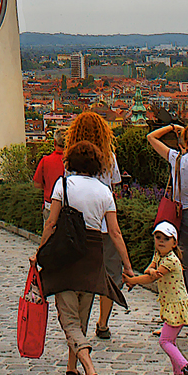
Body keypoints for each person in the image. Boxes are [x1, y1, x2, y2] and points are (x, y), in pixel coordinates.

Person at [31, 140, 134, 375]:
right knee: (82, 316)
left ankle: (90, 371)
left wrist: (39, 252)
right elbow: (114, 232)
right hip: (92, 256)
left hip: (66, 255)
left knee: (68, 319)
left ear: (71, 162)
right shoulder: (103, 192)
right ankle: (71, 369)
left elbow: (52, 223)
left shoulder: (63, 186)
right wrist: (128, 266)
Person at [146, 123, 188, 336]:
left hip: (181, 217)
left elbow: (151, 137)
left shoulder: (178, 161)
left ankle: (175, 322)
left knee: (178, 273)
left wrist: (172, 127)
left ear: (183, 144)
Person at [123, 221, 188, 375]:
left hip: (177, 306)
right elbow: (150, 269)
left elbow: (151, 277)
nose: (161, 241)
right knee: (170, 341)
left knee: (165, 341)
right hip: (171, 305)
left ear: (174, 243)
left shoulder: (171, 260)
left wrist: (132, 280)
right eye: (158, 238)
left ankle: (187, 369)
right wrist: (151, 270)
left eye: (166, 239)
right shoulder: (159, 255)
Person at [63, 111, 122, 340]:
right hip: (104, 226)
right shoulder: (109, 157)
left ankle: (78, 321)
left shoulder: (71, 158)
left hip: (77, 227)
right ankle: (103, 322)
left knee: (80, 274)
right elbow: (113, 188)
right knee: (108, 274)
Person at [33, 137, 68, 222]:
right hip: (70, 208)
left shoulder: (46, 160)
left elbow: (37, 184)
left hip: (50, 206)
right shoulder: (72, 161)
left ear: (54, 142)